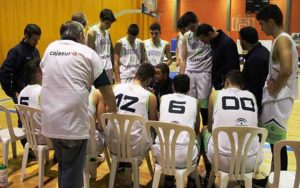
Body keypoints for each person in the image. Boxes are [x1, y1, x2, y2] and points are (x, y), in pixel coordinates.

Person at [40, 21, 117, 188]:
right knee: (73, 172)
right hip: (72, 124)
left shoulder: (50, 48)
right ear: (81, 36)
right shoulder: (88, 53)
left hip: (50, 122)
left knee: (64, 165)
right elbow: (106, 88)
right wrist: (114, 111)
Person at [256, 4, 298, 170]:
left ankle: (279, 178)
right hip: (277, 100)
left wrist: (274, 89)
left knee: (277, 145)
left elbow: (286, 70)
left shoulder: (282, 40)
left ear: (271, 22)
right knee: (275, 145)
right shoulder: (281, 40)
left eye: (262, 23)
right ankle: (275, 175)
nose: (261, 27)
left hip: (279, 101)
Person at [202, 70, 261, 175]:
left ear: (226, 82)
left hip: (221, 160)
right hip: (251, 161)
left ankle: (209, 175)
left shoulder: (215, 95)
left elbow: (211, 128)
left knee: (204, 129)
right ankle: (244, 180)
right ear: (242, 86)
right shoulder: (252, 96)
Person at [154, 74, 201, 187]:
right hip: (185, 157)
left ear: (173, 86)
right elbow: (195, 129)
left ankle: (169, 179)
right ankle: (192, 178)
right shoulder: (195, 101)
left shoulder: (163, 98)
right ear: (189, 88)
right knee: (200, 134)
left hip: (162, 154)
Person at [0, 23, 41, 146]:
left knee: (36, 119)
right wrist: (12, 92)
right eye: (34, 40)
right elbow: (4, 72)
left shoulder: (36, 51)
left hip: (35, 92)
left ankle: (36, 144)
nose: (36, 43)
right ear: (26, 36)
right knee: (24, 119)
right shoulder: (16, 52)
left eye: (38, 40)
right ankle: (27, 146)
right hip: (21, 93)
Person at [110, 63, 158, 156]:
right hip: (134, 148)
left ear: (136, 74)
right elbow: (153, 123)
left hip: (112, 144)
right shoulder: (150, 96)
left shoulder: (115, 87)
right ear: (149, 80)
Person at [180, 12, 212, 127]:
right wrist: (182, 75)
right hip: (190, 72)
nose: (191, 30)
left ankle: (205, 129)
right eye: (189, 28)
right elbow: (183, 58)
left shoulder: (209, 30)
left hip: (204, 72)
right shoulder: (186, 36)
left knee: (204, 105)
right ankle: (191, 128)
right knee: (190, 103)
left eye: (193, 27)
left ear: (197, 21)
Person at [196, 23, 240, 90]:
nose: (204, 42)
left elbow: (232, 66)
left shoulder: (227, 43)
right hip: (219, 83)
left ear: (210, 33)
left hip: (227, 85)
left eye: (204, 40)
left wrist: (227, 84)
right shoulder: (214, 42)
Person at [239, 26, 269, 115]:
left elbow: (255, 88)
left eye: (240, 39)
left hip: (256, 105)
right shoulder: (261, 51)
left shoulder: (256, 59)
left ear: (244, 41)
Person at [18, 58, 47, 146]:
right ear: (38, 74)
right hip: (44, 138)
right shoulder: (42, 91)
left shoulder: (21, 93)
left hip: (30, 137)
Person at [87, 9, 116, 83]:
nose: (109, 26)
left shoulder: (107, 32)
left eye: (110, 24)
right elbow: (90, 54)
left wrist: (113, 70)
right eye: (107, 23)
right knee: (99, 93)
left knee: (110, 91)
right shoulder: (92, 32)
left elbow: (111, 51)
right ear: (100, 19)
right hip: (98, 69)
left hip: (108, 67)